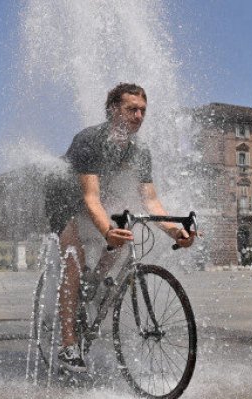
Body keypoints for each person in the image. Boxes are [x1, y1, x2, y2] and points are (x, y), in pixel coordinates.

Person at [45, 83, 196, 373]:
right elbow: (89, 197)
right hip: (63, 198)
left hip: (94, 198)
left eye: (142, 111)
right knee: (73, 258)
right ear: (113, 109)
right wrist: (106, 232)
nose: (139, 116)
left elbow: (151, 201)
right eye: (132, 109)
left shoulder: (140, 151)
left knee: (124, 236)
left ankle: (93, 282)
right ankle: (68, 345)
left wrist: (177, 232)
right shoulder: (90, 139)